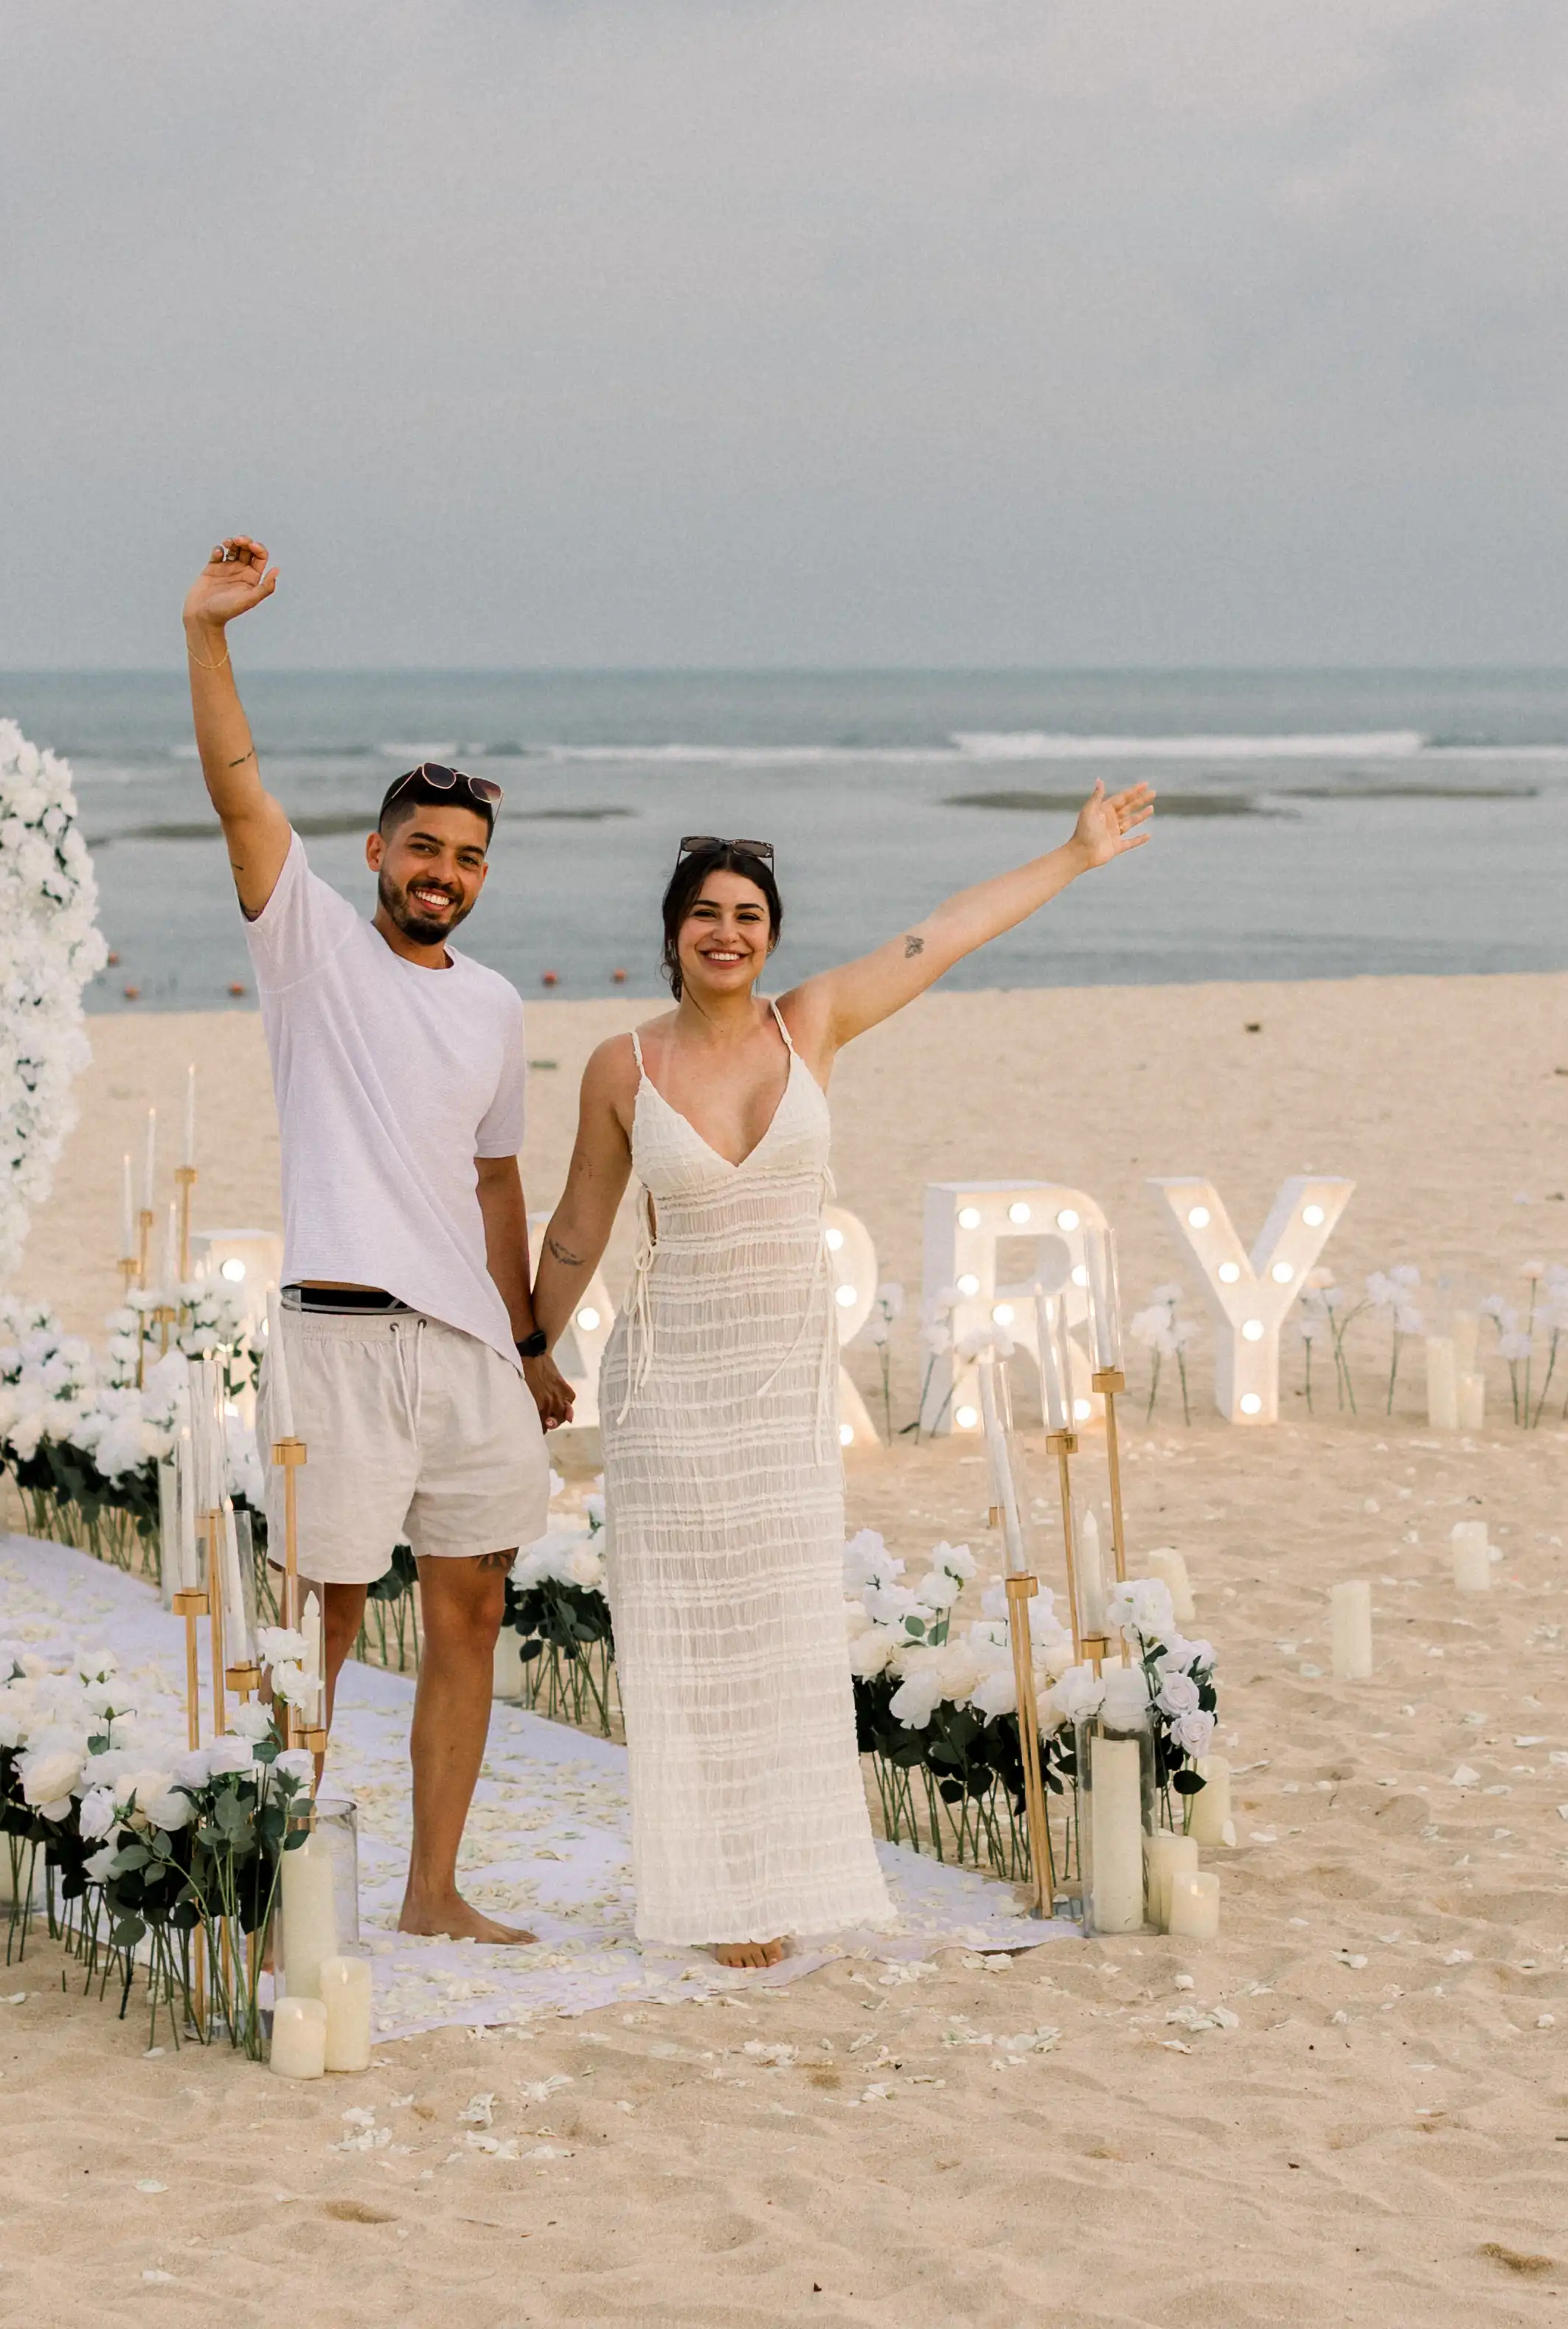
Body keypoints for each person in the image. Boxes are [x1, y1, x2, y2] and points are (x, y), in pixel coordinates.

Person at [532, 785, 1155, 1966]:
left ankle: (774, 1877)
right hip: (668, 1395)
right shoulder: (622, 1067)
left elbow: (947, 930)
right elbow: (578, 1222)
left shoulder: (809, 1022)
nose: (729, 931)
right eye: (706, 912)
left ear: (773, 933)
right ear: (671, 933)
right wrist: (531, 1349)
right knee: (687, 1647)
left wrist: (1073, 854)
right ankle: (712, 1898)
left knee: (777, 1639)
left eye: (750, 913)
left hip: (780, 1401)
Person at [182, 535, 575, 1946]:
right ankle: (281, 1889)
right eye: (424, 848)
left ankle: (431, 1892)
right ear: (378, 853)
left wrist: (531, 1341)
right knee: (324, 1623)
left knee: (470, 1620)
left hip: (472, 1350)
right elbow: (237, 787)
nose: (444, 873)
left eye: (468, 858)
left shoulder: (494, 1006)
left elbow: (495, 1185)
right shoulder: (311, 947)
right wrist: (209, 633)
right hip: (341, 1338)